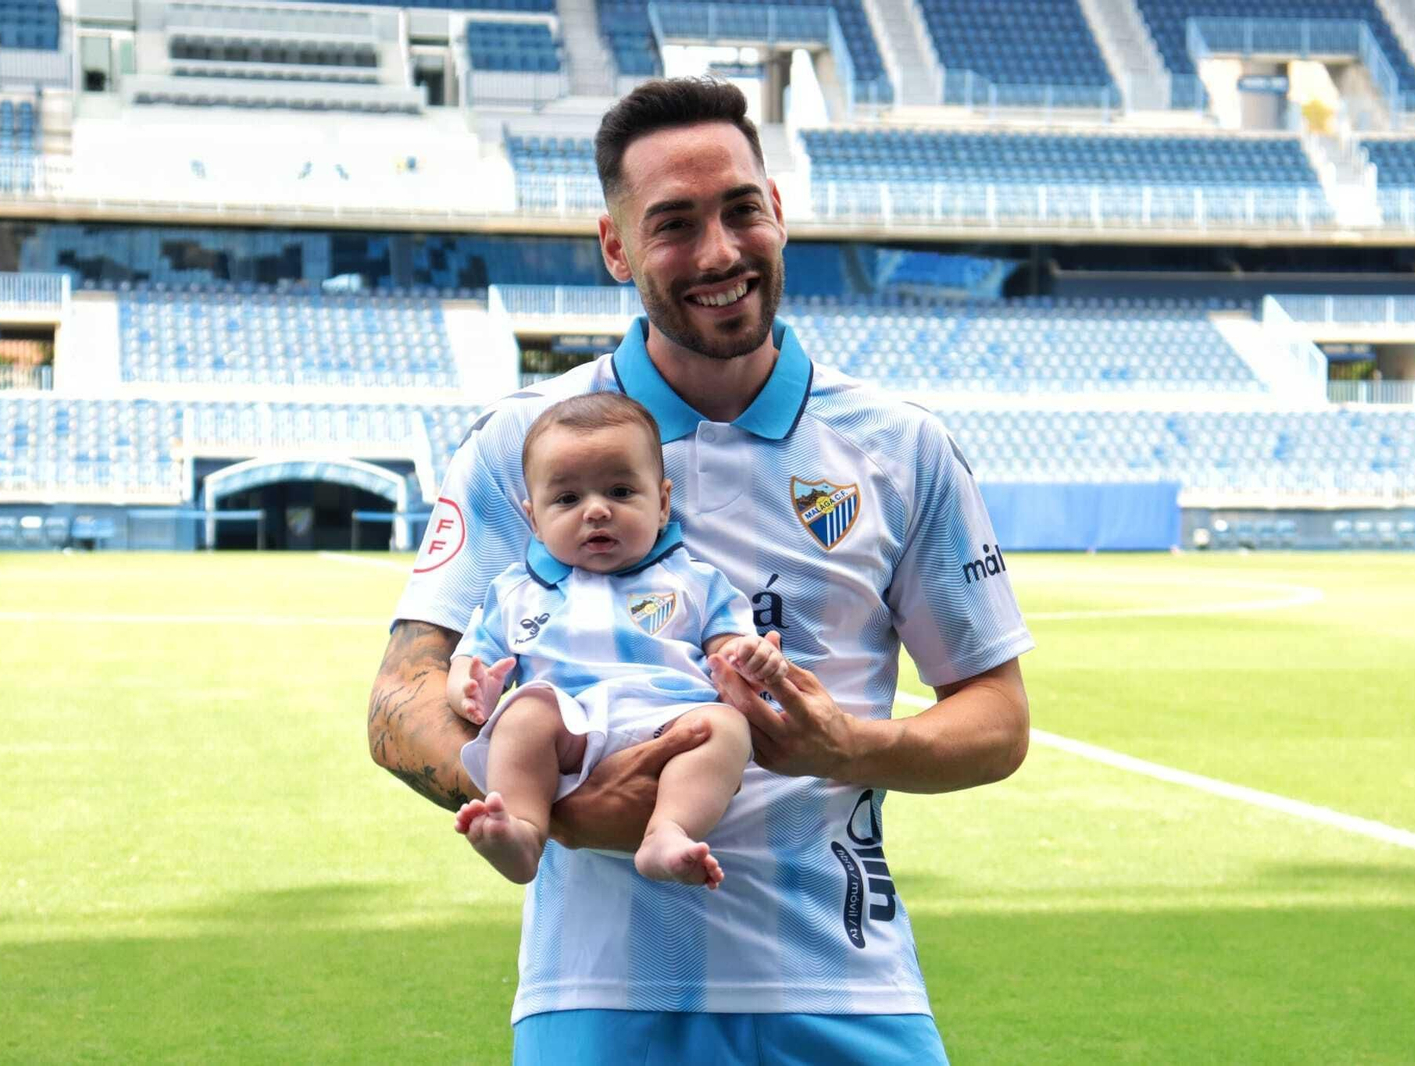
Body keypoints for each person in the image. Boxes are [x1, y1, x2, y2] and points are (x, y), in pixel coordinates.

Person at [369, 76, 1034, 1065]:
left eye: (740, 210)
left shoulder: (900, 447)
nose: (719, 251)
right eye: (673, 224)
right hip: (599, 987)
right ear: (615, 248)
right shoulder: (523, 442)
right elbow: (398, 697)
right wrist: (555, 805)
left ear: (778, 213)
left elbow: (996, 716)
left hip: (844, 987)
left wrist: (843, 744)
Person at [446, 392, 787, 889]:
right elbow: (472, 660)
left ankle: (667, 830)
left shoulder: (694, 580)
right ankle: (521, 830)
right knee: (521, 718)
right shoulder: (515, 591)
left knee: (726, 728)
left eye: (622, 492)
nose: (597, 511)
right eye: (567, 499)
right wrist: (470, 688)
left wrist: (748, 657)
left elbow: (728, 646)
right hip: (568, 724)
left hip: (669, 720)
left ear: (663, 502)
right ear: (534, 518)